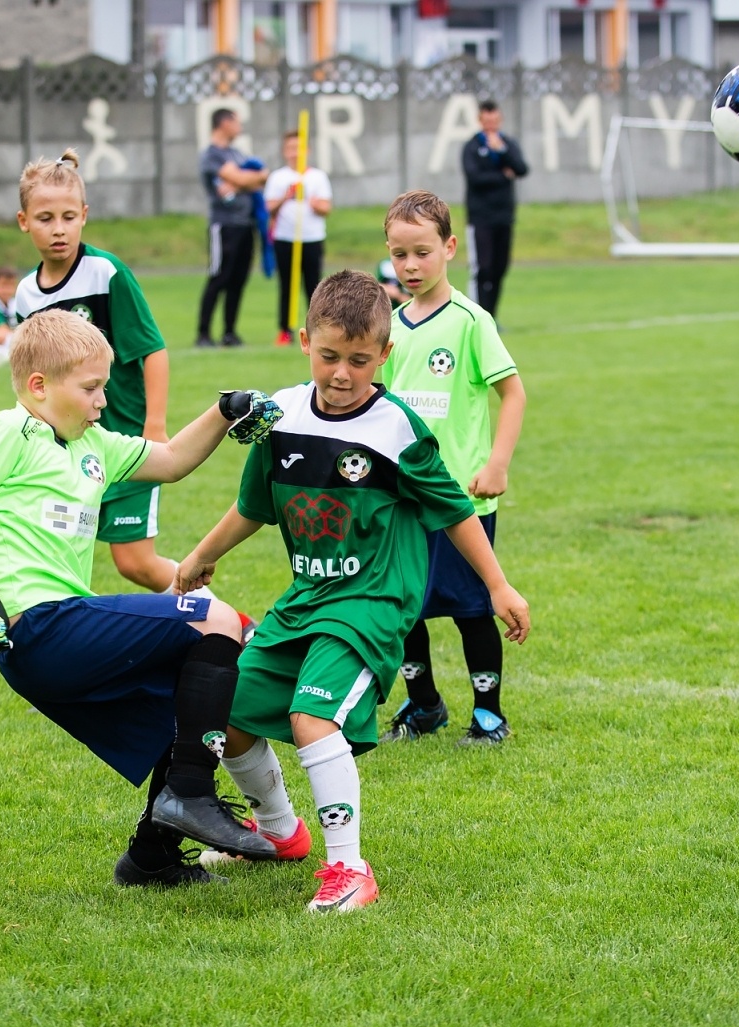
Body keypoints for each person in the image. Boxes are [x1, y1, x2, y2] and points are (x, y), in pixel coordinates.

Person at [175, 270, 531, 912]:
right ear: (306, 340)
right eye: (330, 356)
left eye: (360, 361)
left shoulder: (396, 428)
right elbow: (254, 504)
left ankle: (350, 872)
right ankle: (281, 833)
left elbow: (454, 509)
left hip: (371, 602)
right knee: (229, 710)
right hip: (307, 595)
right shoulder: (279, 417)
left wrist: (498, 586)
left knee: (312, 715)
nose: (342, 373)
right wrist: (203, 553)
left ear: (384, 355)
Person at [0, 309, 284, 887]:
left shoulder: (93, 446)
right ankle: (191, 794)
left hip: (61, 636)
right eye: (90, 388)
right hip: (39, 625)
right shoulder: (6, 433)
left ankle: (152, 858)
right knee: (215, 619)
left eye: (104, 388)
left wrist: (224, 411)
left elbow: (170, 462)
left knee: (186, 713)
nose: (100, 401)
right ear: (39, 386)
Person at [11, 150, 196, 596]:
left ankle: (230, 625)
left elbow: (152, 351)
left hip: (126, 437)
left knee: (135, 562)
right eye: (45, 218)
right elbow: (30, 382)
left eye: (69, 217)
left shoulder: (106, 273)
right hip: (70, 449)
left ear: (85, 216)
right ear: (23, 221)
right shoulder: (24, 295)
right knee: (59, 553)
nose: (58, 229)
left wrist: (154, 427)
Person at [380, 190, 527, 747]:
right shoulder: (389, 329)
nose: (410, 266)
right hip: (403, 497)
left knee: (471, 606)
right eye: (399, 255)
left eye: (421, 252)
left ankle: (488, 714)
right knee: (406, 607)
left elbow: (512, 395)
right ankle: (423, 706)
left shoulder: (470, 321)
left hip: (462, 495)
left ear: (449, 247)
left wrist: (497, 463)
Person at [197, 109, 268, 347]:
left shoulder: (236, 154)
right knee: (219, 277)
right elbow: (243, 179)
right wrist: (245, 180)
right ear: (224, 123)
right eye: (236, 122)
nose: (240, 126)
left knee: (239, 279)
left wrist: (243, 180)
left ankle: (229, 332)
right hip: (224, 225)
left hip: (246, 225)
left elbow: (261, 176)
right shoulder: (212, 155)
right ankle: (204, 333)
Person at [459, 100, 528, 321]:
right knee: (483, 268)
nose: (491, 125)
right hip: (481, 218)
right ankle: (478, 318)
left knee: (500, 268)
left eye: (494, 120)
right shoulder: (472, 147)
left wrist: (502, 152)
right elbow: (475, 178)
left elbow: (521, 168)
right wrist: (503, 175)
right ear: (480, 120)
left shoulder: (507, 143)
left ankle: (492, 317)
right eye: (487, 120)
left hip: (504, 216)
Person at [264, 130, 333, 346]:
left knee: (313, 287)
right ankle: (285, 330)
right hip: (285, 239)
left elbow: (326, 207)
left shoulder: (317, 177)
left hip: (311, 239)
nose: (295, 153)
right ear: (285, 152)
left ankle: (317, 329)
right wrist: (286, 196)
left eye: (299, 148)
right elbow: (269, 207)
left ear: (308, 150)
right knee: (286, 286)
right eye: (291, 148)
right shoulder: (278, 177)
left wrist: (312, 202)